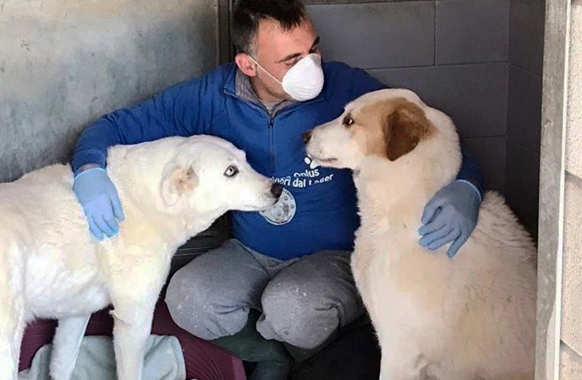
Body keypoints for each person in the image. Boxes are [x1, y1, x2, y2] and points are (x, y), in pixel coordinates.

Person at [70, 1, 485, 378]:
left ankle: (324, 360)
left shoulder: (347, 89)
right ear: (248, 65)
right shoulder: (210, 97)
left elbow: (432, 137)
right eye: (292, 60)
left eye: (313, 50)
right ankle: (270, 356)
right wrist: (89, 169)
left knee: (294, 308)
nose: (312, 67)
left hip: (334, 256)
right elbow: (115, 126)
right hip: (252, 251)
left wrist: (468, 185)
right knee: (188, 299)